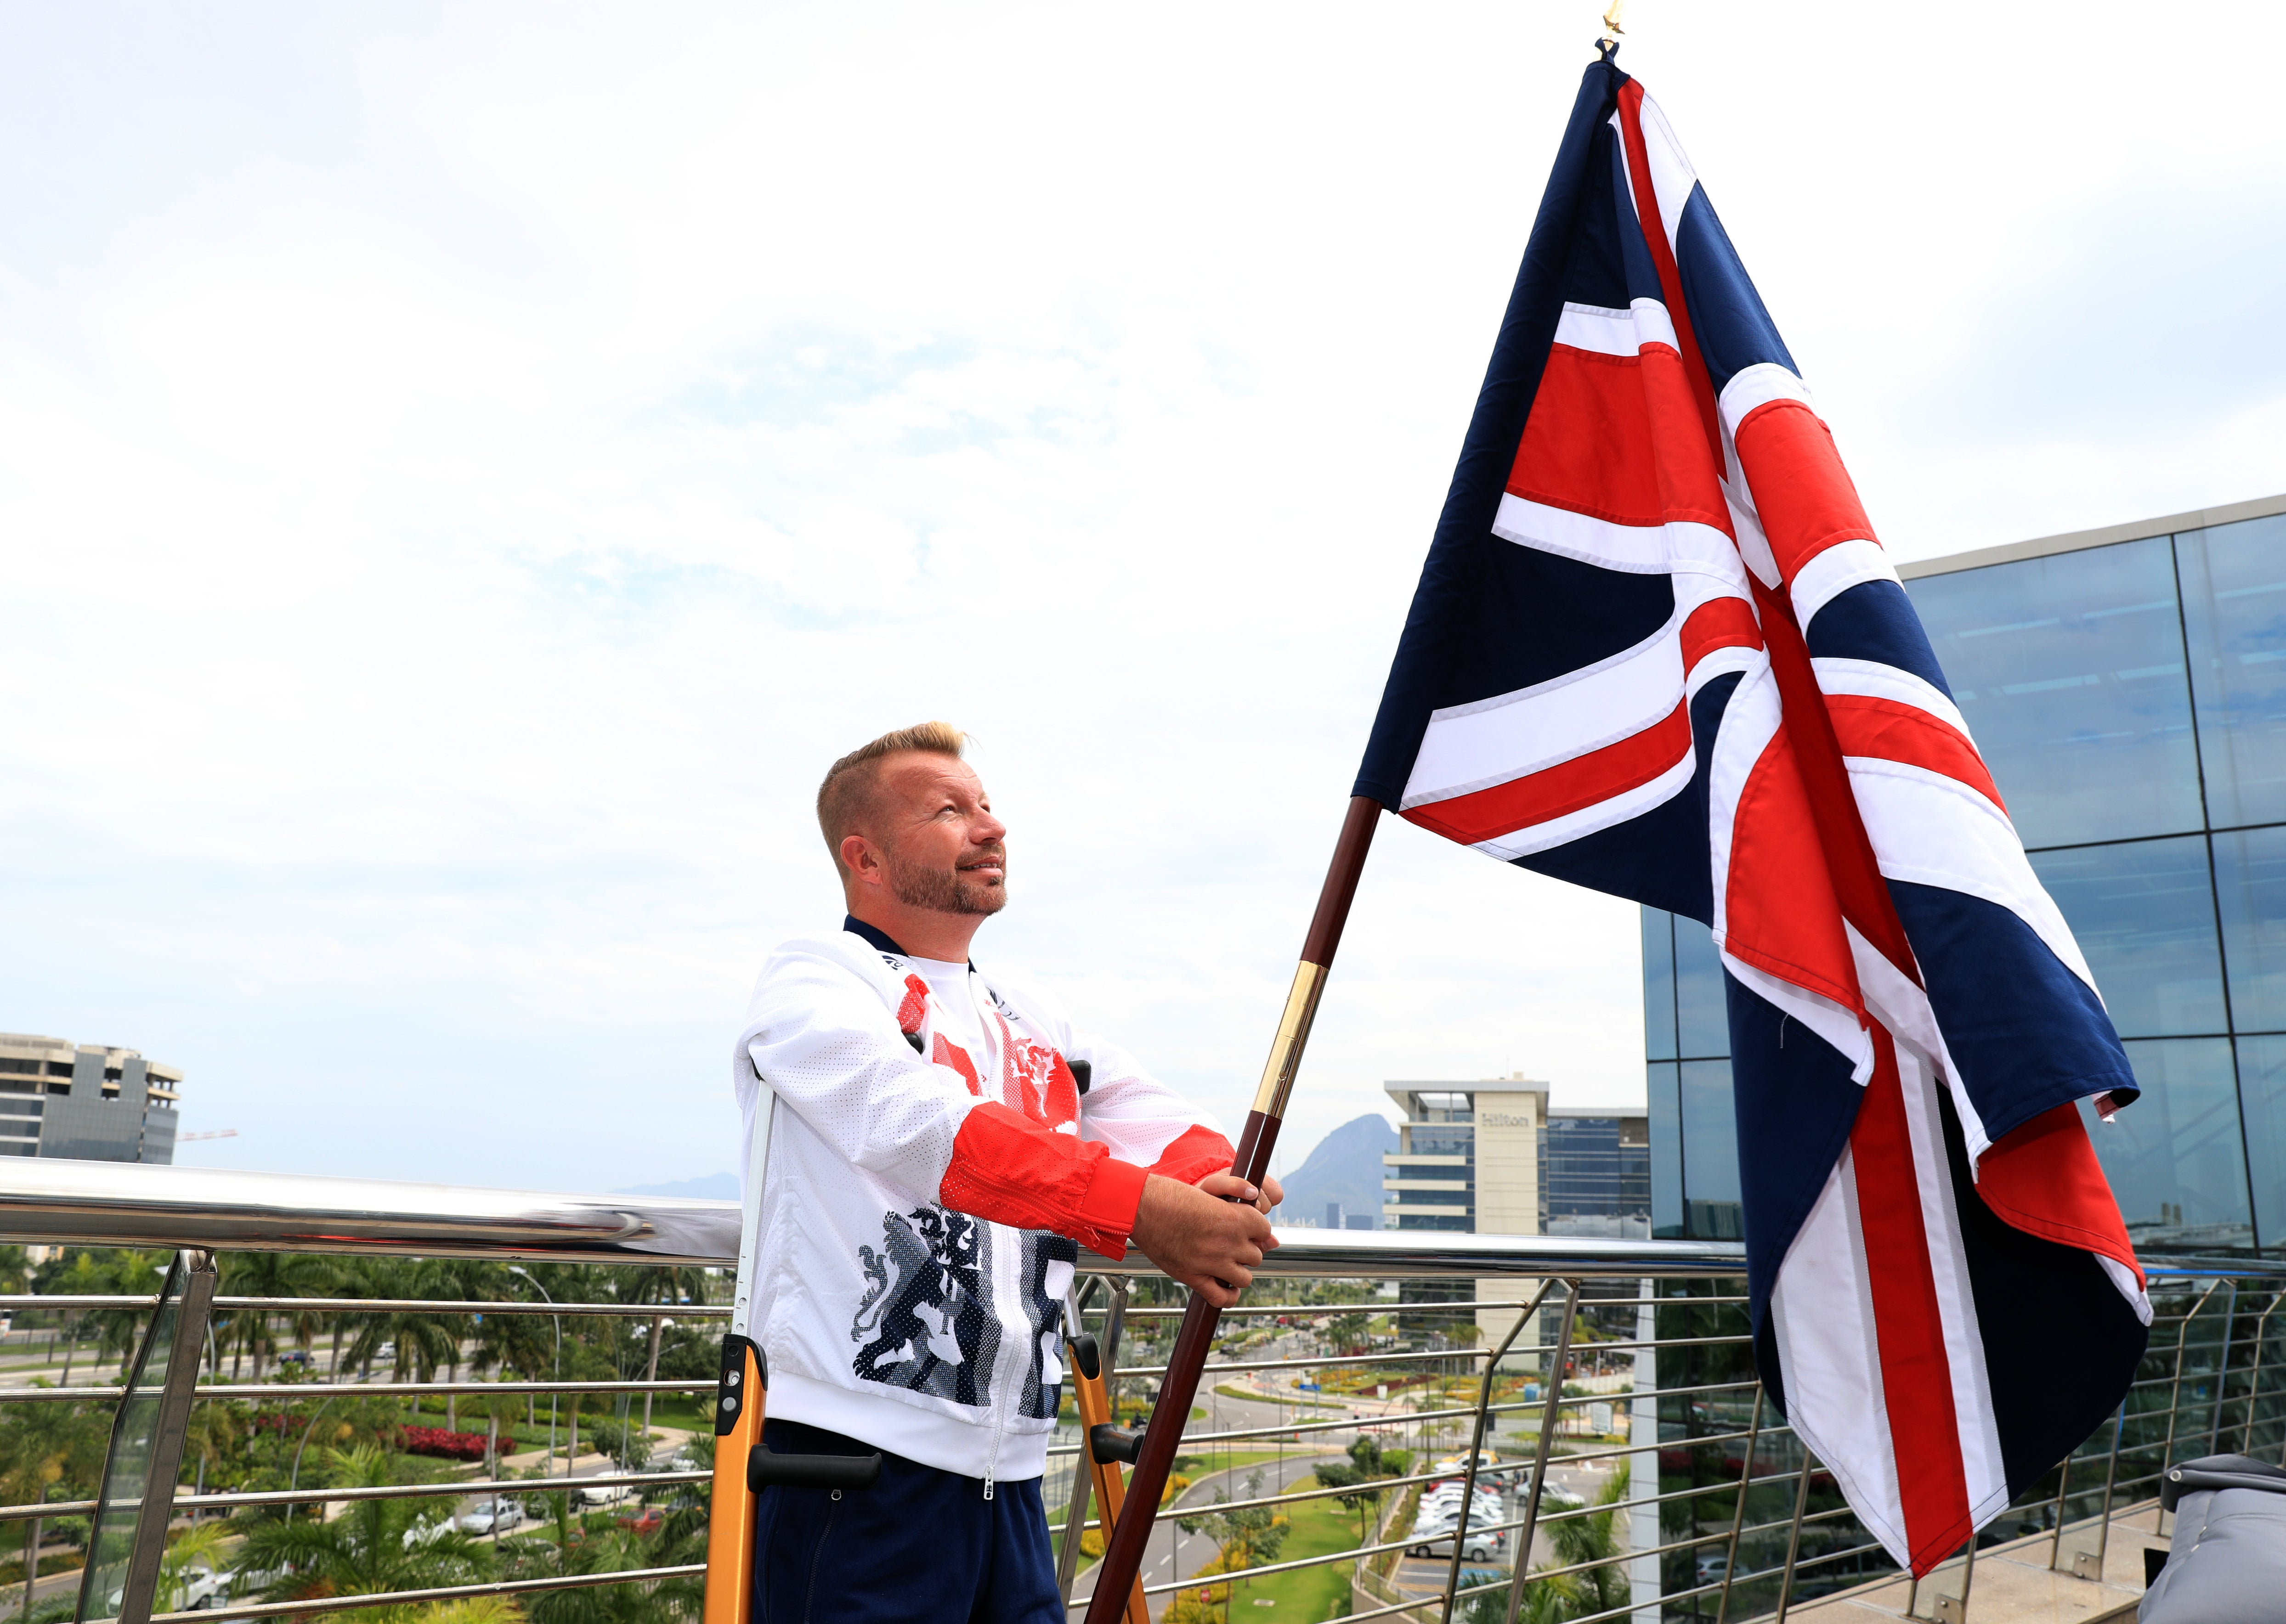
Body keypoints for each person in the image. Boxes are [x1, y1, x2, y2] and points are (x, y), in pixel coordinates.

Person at [730, 720, 1283, 1623]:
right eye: (950, 811)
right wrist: (1142, 1207)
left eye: (986, 806)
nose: (990, 827)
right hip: (852, 1468)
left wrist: (1211, 1187)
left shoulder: (1027, 1014)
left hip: (1012, 1472)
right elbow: (923, 1129)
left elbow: (1167, 1125)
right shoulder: (816, 984)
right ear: (863, 857)